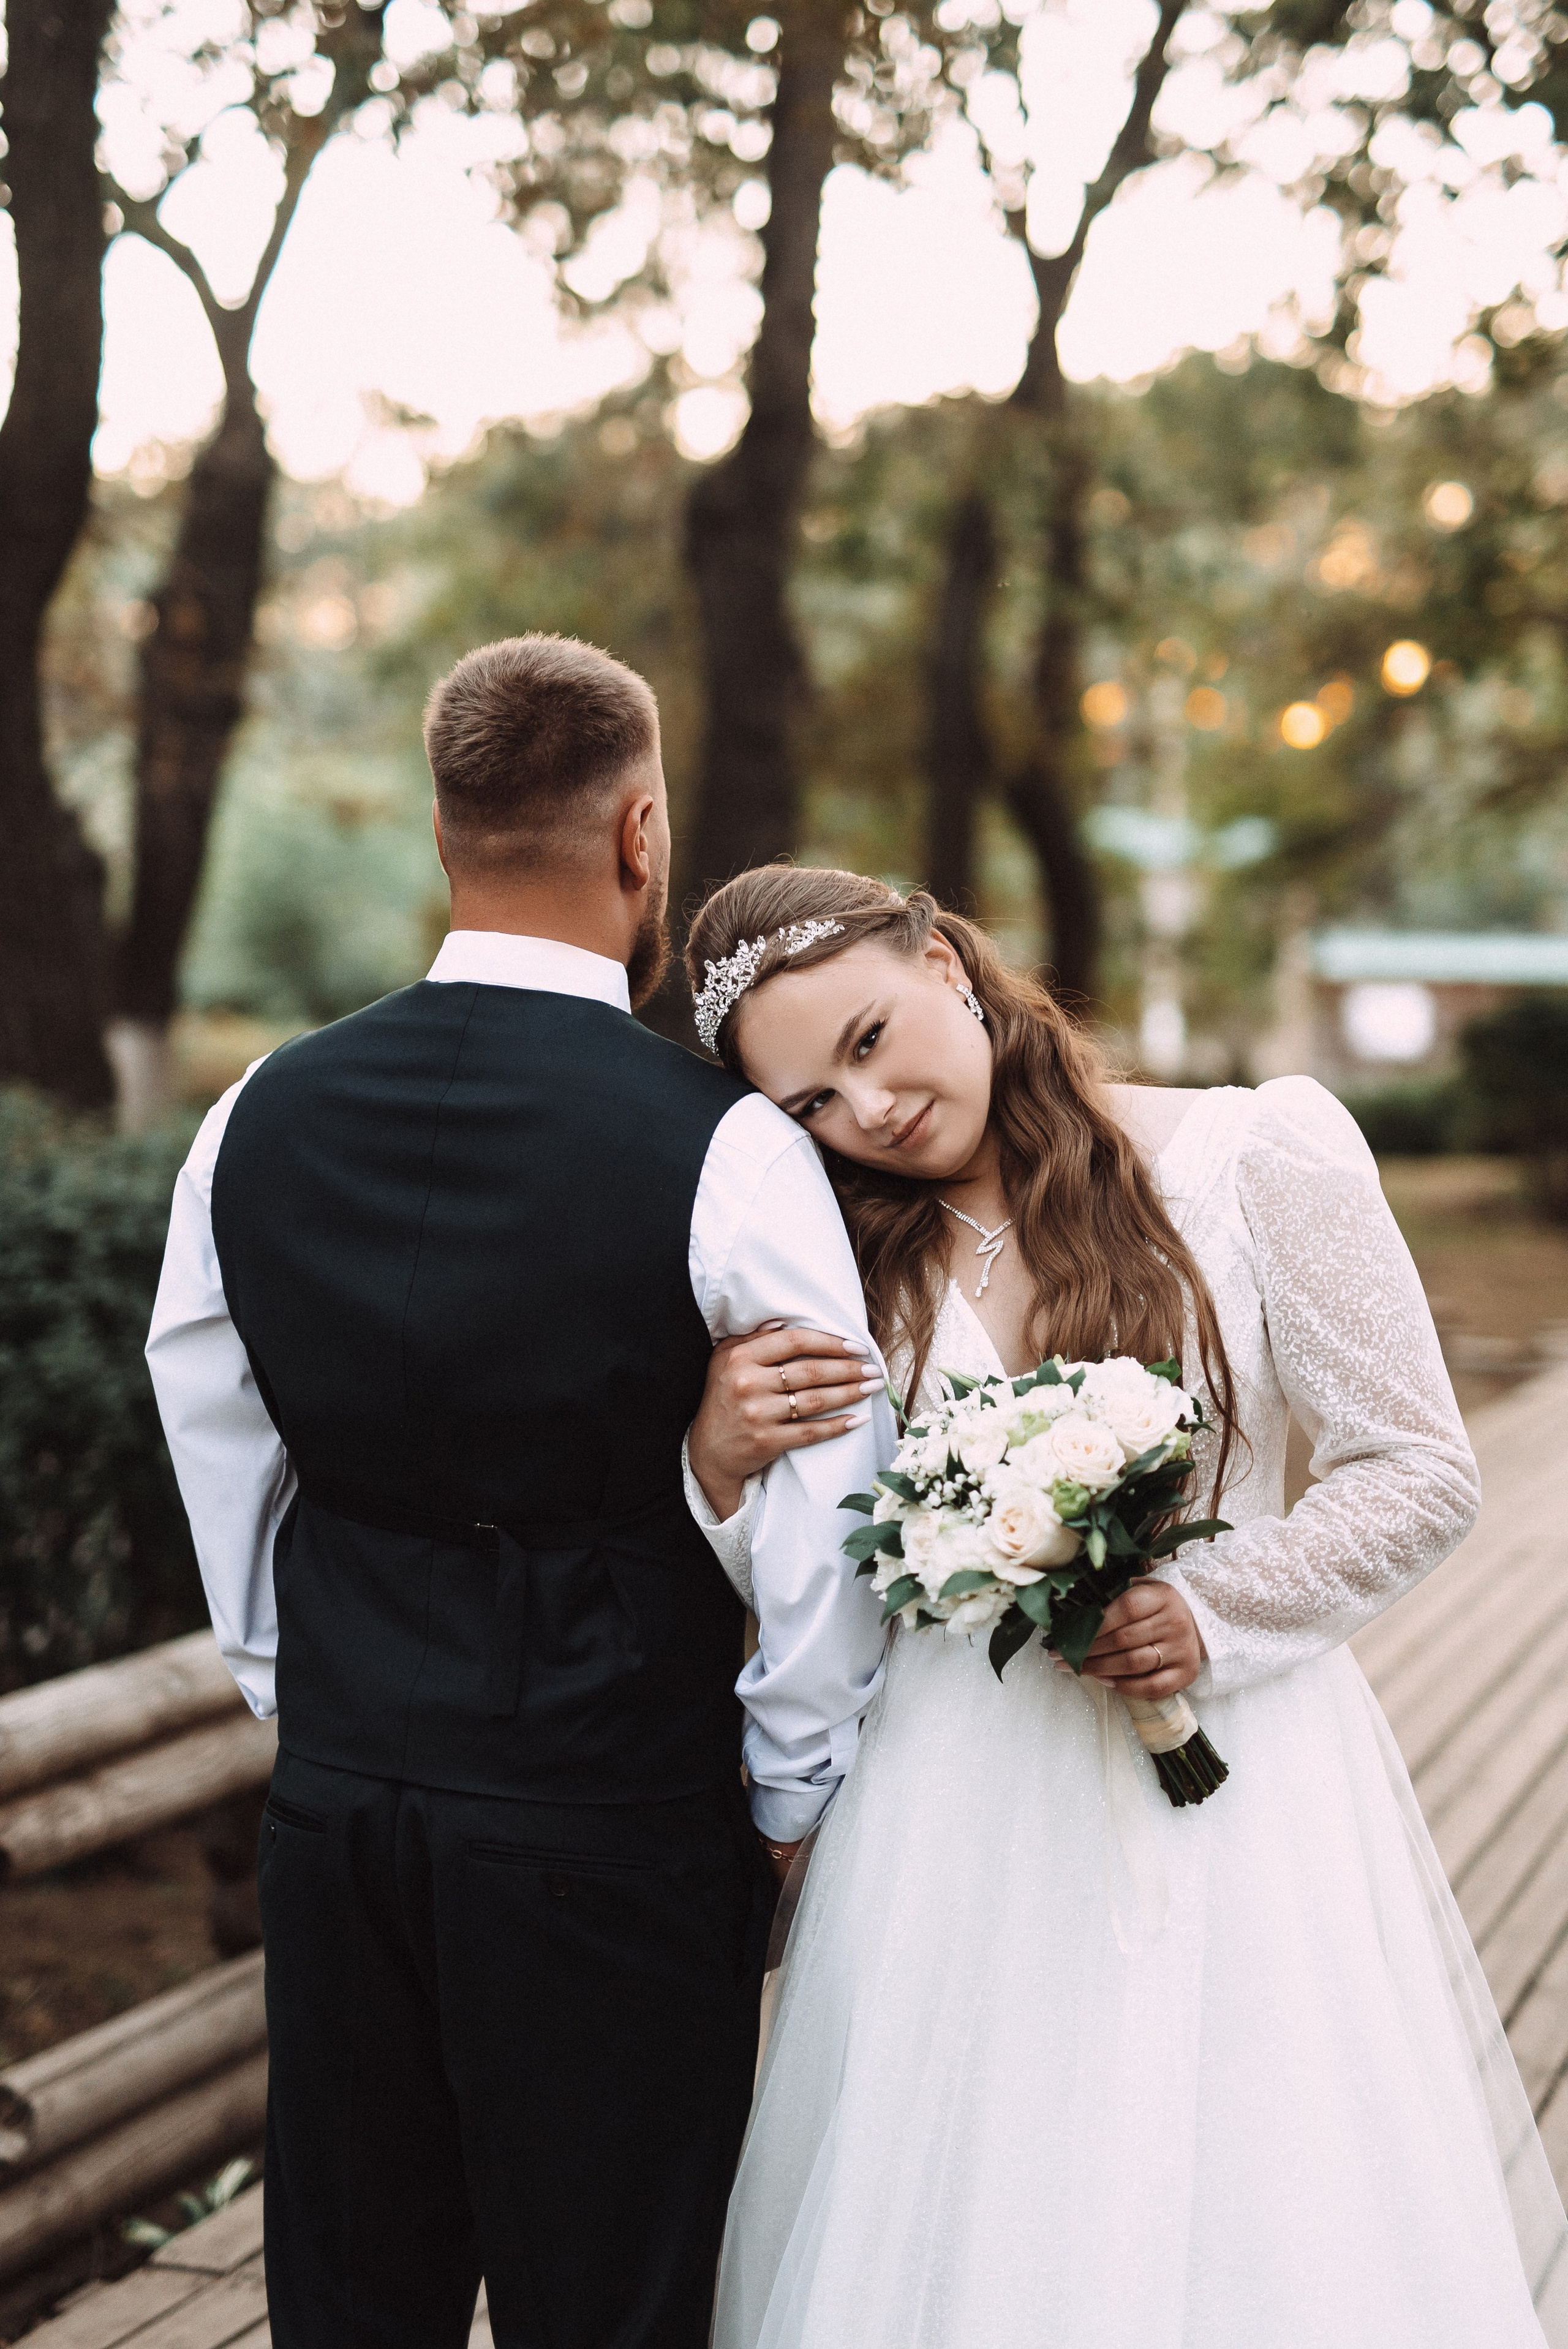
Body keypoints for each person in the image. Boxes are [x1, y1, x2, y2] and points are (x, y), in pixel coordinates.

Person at [679, 864, 1568, 2349]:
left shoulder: (1253, 1152)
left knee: (1244, 2191)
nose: (871, 1108)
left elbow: (1414, 1468)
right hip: (942, 1816)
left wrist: (1205, 1610)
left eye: (870, 1037)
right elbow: (824, 1575)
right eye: (814, 1106)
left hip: (1228, 1801)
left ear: (944, 960)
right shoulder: (838, 1259)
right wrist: (717, 1463)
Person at [144, 637, 895, 2349]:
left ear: (440, 829)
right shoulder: (726, 1145)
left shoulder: (259, 1110)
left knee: (353, 2287)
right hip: (610, 1810)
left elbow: (209, 1406)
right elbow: (823, 1501)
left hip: (344, 1801)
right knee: (616, 2299)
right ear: (644, 834)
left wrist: (300, 1686)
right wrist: (786, 1789)